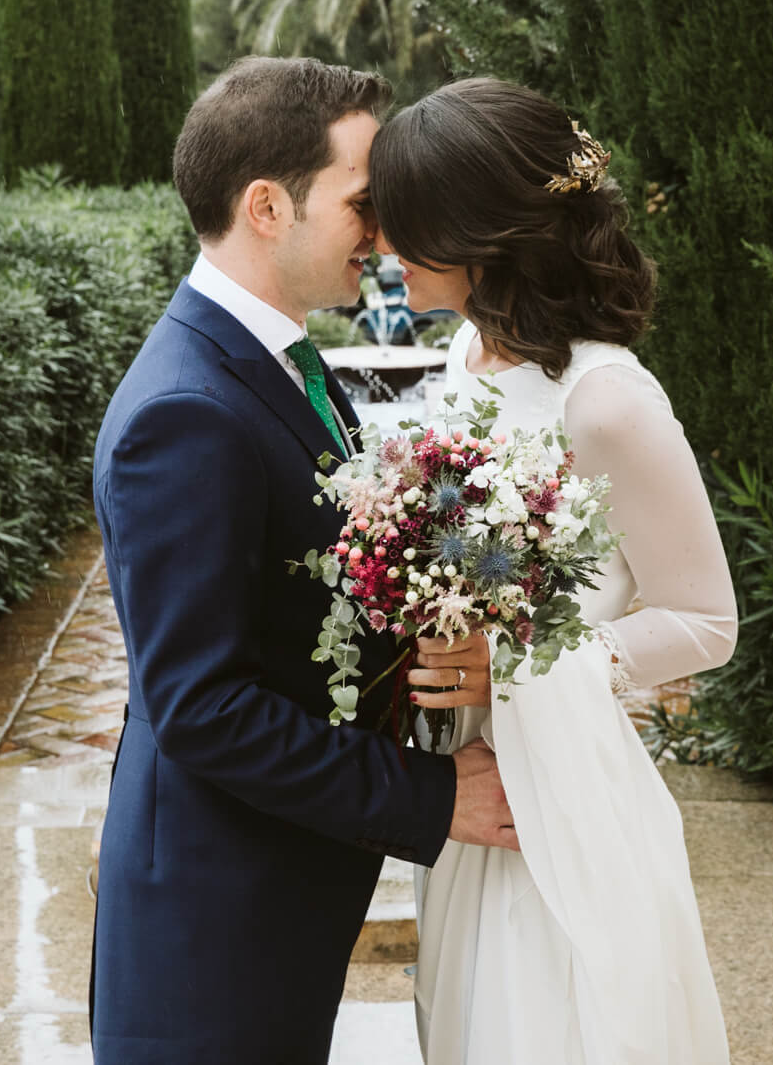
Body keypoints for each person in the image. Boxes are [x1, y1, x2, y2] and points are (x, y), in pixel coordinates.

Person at [88, 56, 519, 1065]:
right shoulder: (185, 412)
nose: (383, 231)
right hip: (213, 933)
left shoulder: (276, 357)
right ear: (267, 206)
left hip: (273, 896)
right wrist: (433, 794)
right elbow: (199, 707)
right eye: (363, 202)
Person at [369, 77, 739, 1063]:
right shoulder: (465, 353)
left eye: (403, 225)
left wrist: (521, 665)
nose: (380, 248)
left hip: (565, 803)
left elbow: (706, 617)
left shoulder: (606, 398)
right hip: (468, 787)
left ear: (477, 233)